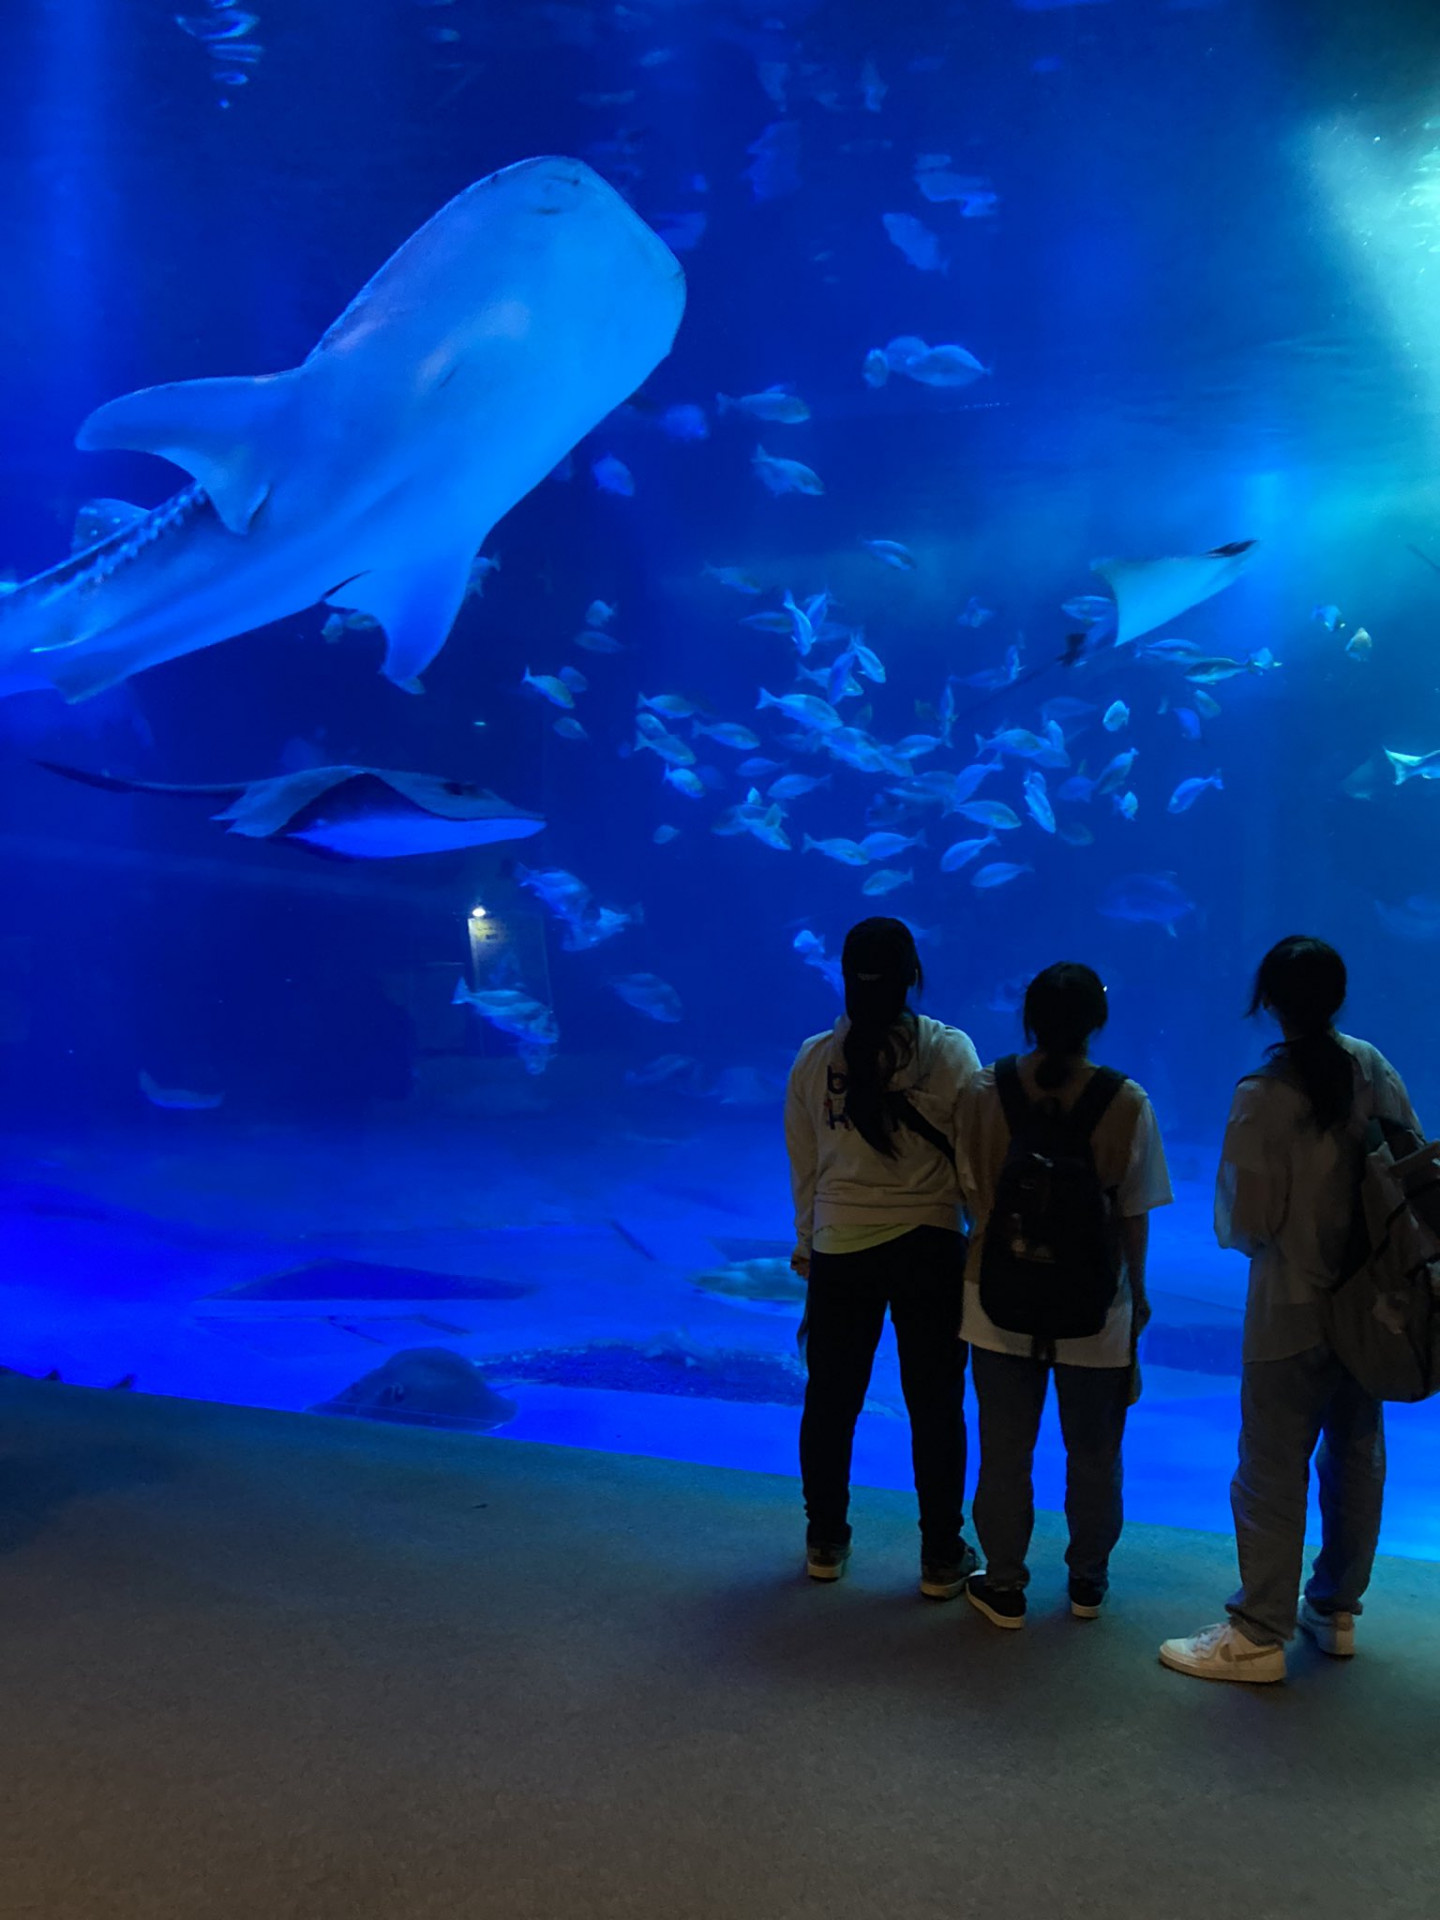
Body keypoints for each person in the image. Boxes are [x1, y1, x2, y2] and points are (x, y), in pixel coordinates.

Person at [1160, 936, 1422, 1684]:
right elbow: (1409, 1171)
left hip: (1289, 1312)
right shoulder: (1374, 1066)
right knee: (1355, 1455)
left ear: (1269, 1001)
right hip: (1375, 1309)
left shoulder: (1261, 1093)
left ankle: (1258, 1633)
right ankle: (1335, 1608)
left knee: (1271, 1468)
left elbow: (1243, 1224)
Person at [959, 963, 1171, 1629]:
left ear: (1028, 1018)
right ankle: (1087, 1580)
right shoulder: (1127, 1101)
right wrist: (1135, 1297)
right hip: (1095, 1307)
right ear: (1096, 1024)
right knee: (1095, 1453)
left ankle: (1004, 1582)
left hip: (995, 1299)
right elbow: (1135, 1212)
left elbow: (973, 1194)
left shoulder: (984, 1088)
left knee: (1003, 1450)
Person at [785, 917, 980, 1597]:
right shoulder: (951, 1054)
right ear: (912, 977)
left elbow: (805, 1170)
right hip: (930, 1245)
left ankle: (825, 1540)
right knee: (935, 1405)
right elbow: (976, 1158)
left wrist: (808, 1246)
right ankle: (940, 1554)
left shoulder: (813, 1061)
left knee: (831, 1401)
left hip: (840, 1246)